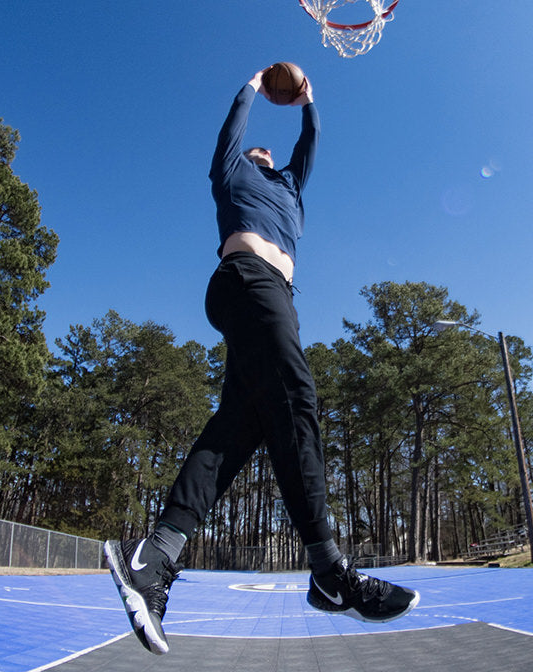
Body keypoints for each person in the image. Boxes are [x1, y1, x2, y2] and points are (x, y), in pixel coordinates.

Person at [103, 67, 419, 655]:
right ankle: (329, 571)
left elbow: (309, 146)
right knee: (297, 398)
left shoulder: (291, 188)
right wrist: (251, 85)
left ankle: (155, 559)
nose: (263, 151)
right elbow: (230, 134)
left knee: (237, 430)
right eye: (256, 150)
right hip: (245, 279)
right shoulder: (233, 173)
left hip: (278, 297)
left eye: (267, 152)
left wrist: (309, 103)